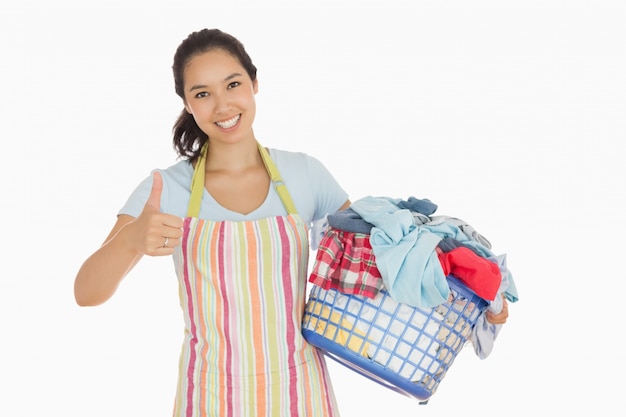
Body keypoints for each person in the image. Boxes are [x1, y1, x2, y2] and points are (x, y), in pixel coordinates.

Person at [74, 28, 509, 417]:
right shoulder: (165, 188)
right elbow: (86, 293)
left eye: (233, 84)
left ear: (255, 84)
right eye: (203, 93)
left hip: (300, 391)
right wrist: (131, 239)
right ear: (187, 103)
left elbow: (377, 271)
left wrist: (471, 303)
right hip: (207, 394)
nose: (223, 105)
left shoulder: (305, 175)